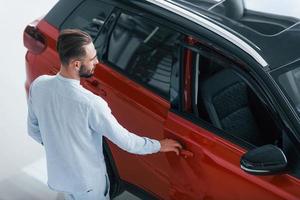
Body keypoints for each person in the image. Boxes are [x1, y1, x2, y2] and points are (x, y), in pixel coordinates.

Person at [27, 29, 183, 200]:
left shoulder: (39, 85)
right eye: (92, 58)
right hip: (88, 187)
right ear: (76, 64)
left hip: (61, 179)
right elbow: (127, 142)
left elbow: (33, 131)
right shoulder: (90, 104)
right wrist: (160, 145)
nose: (97, 61)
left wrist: (60, 146)